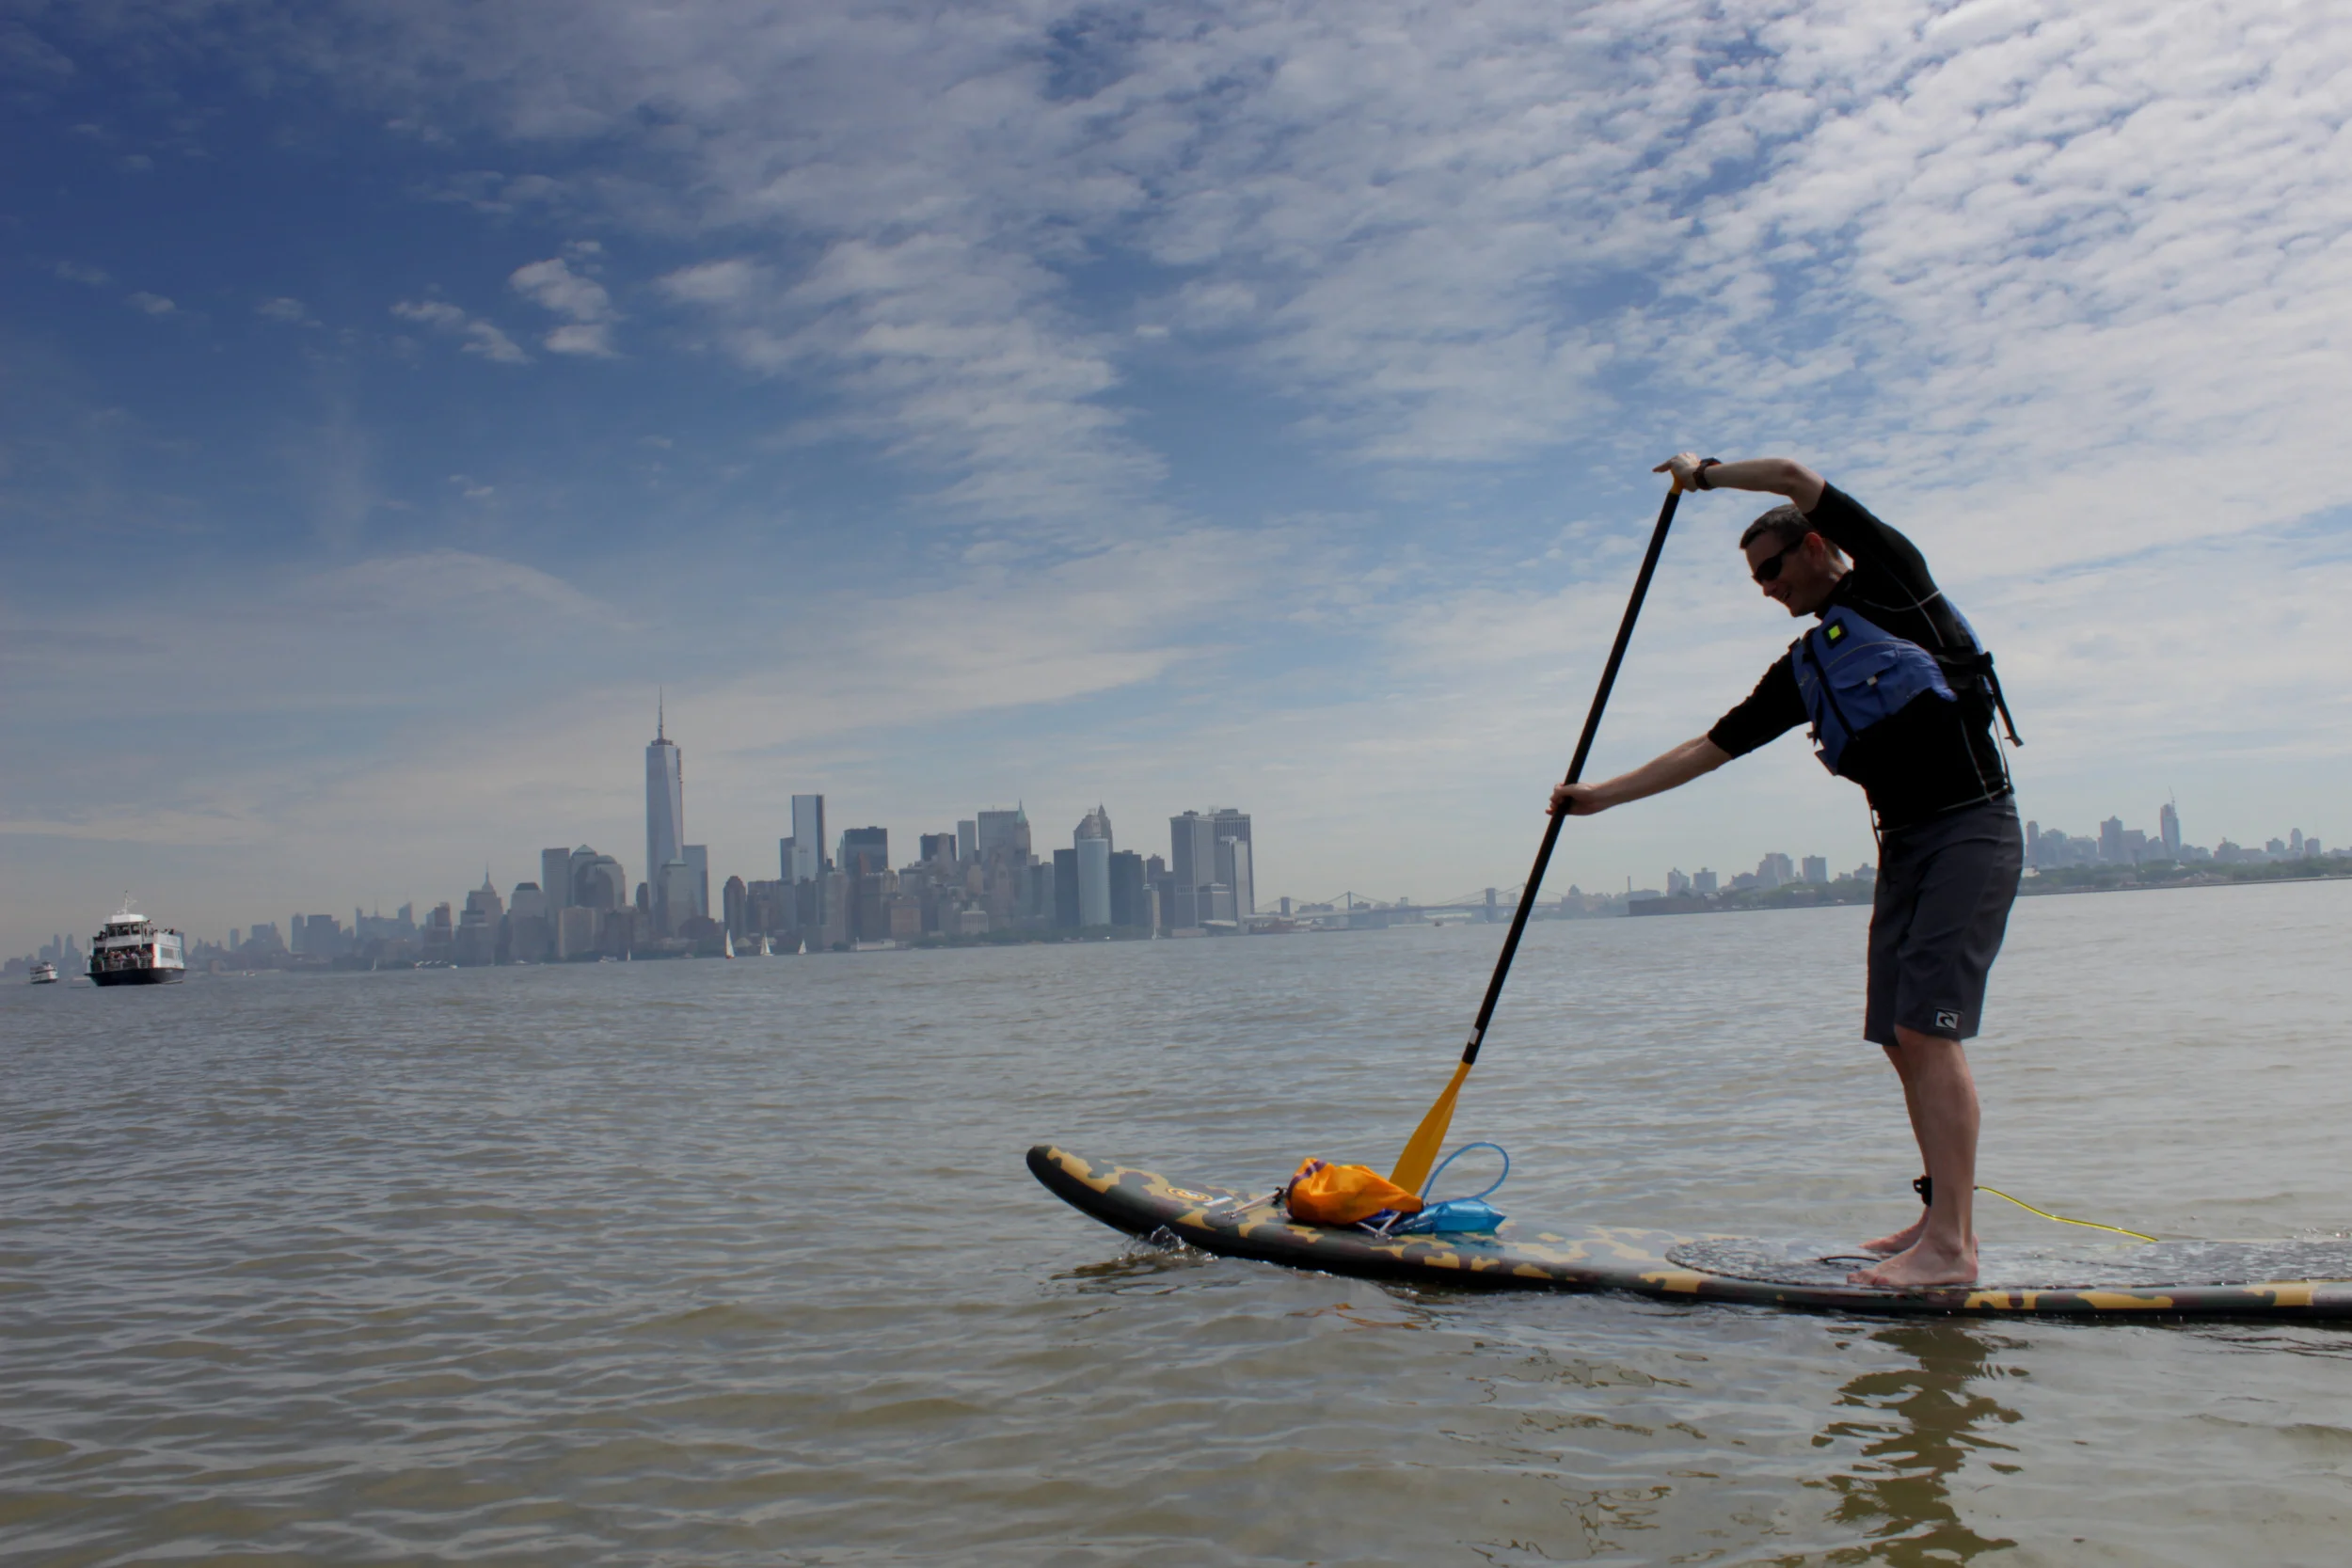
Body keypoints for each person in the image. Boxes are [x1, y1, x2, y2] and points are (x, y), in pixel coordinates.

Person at [1551, 453, 2023, 1288]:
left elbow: (1798, 476)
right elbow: (1710, 746)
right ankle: (1939, 1215)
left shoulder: (1893, 586)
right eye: (1755, 580)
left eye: (1771, 569)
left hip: (1971, 828)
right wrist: (1599, 799)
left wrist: (1705, 477)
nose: (1766, 588)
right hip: (1906, 844)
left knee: (1929, 1028)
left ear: (1813, 546)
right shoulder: (1805, 666)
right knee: (1896, 1033)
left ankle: (1953, 1249)